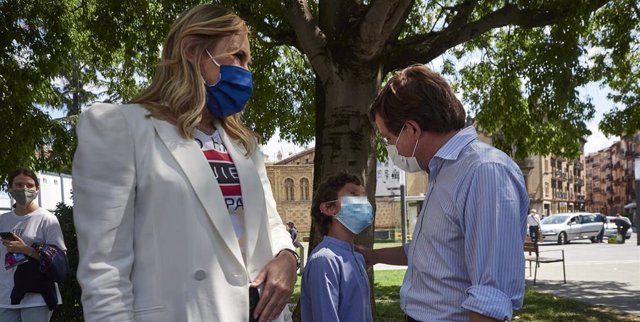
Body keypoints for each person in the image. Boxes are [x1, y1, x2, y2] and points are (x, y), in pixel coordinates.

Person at [72, 4, 298, 322]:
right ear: (193, 51)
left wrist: (287, 256)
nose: (246, 71)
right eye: (238, 57)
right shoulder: (121, 127)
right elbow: (104, 270)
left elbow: (271, 223)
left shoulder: (244, 144)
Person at [360, 65, 529, 322]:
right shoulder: (443, 172)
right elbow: (432, 253)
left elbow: (491, 297)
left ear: (412, 130)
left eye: (389, 138)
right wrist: (374, 256)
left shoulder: (484, 172)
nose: (391, 147)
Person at [300, 173, 373, 322]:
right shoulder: (324, 260)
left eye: (363, 196)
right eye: (353, 195)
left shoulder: (356, 257)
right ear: (329, 208)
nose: (363, 202)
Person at [0, 168, 67, 322]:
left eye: (30, 185)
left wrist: (26, 250)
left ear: (37, 189)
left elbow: (60, 258)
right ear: (10, 188)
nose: (24, 189)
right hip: (6, 297)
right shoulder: (3, 219)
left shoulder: (47, 219)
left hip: (37, 298)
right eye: (18, 184)